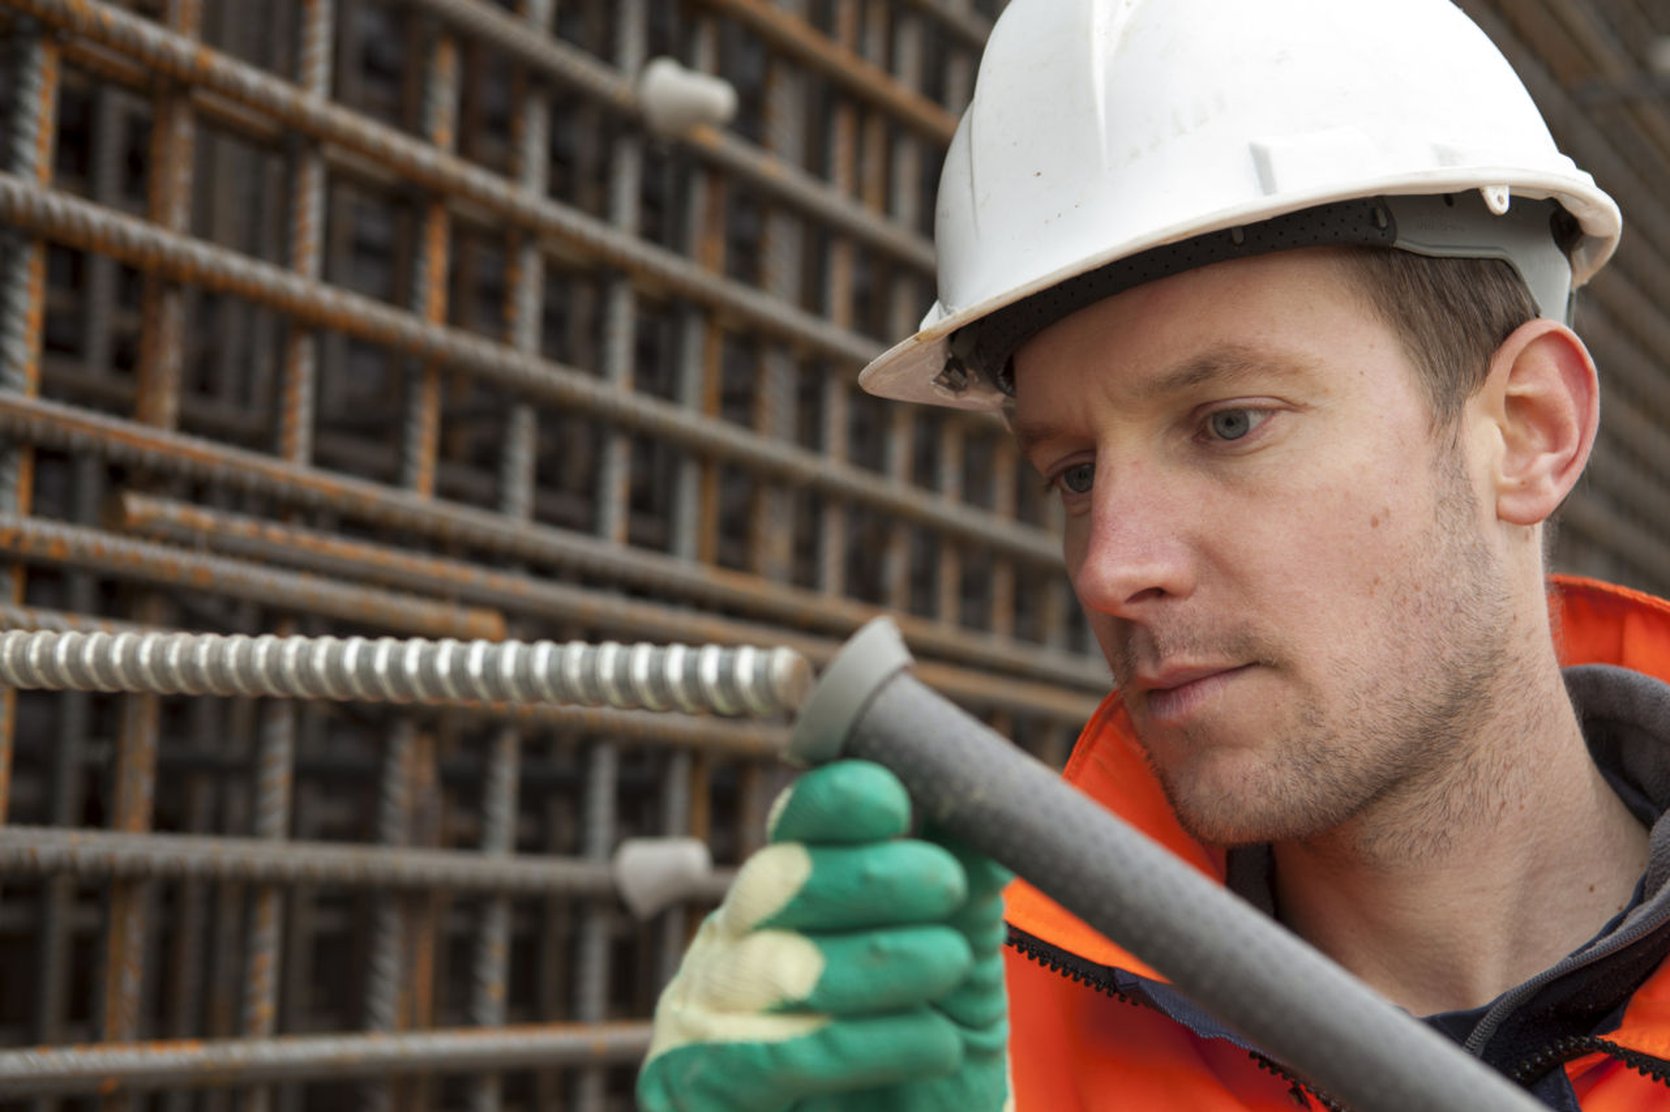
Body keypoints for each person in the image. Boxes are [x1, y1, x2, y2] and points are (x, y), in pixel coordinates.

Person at [637, 0, 1670, 1107]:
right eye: (1072, 473)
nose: (1107, 568)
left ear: (1523, 431)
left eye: (1228, 421)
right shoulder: (953, 1046)